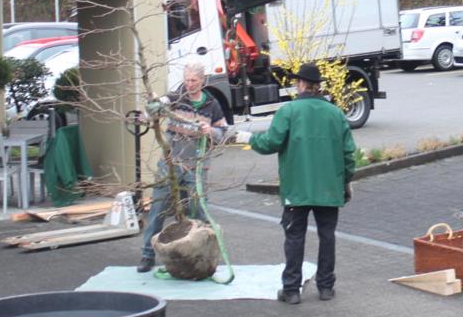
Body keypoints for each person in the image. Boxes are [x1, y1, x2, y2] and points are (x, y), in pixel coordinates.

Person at [240, 62, 357, 304]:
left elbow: (270, 143)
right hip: (328, 188)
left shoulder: (289, 111)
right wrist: (346, 183)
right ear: (318, 86)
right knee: (327, 236)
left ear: (301, 84)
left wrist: (249, 138)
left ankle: (292, 289)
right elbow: (348, 154)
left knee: (294, 237)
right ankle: (326, 287)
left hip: (297, 188)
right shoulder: (335, 114)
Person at [138, 61, 226, 273]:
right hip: (170, 165)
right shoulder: (175, 99)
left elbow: (224, 132)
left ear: (202, 81)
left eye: (193, 80)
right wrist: (153, 105)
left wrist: (210, 132)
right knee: (157, 209)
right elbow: (152, 112)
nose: (189, 84)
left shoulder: (212, 105)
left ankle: (201, 256)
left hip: (196, 167)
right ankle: (147, 256)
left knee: (198, 212)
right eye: (186, 80)